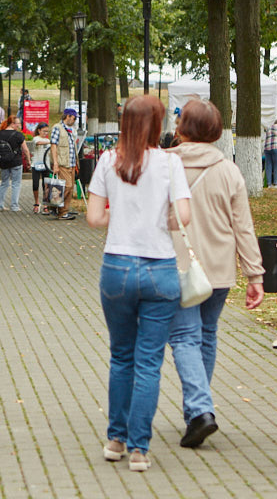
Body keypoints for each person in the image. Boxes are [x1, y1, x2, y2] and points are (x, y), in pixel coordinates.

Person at [86, 94, 190, 473]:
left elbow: (95, 218)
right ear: (158, 124)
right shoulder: (169, 163)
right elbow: (184, 216)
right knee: (149, 362)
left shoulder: (108, 161)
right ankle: (139, 449)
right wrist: (158, 214)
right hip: (160, 269)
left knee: (121, 356)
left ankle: (115, 438)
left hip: (117, 266)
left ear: (125, 122)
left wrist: (122, 208)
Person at [165, 100, 265, 448]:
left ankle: (200, 410)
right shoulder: (229, 170)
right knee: (205, 335)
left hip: (177, 266)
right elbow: (244, 228)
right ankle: (196, 410)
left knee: (183, 339)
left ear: (182, 127)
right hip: (219, 271)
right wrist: (255, 275)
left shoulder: (166, 166)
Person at [48, 108, 80, 220]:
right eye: (74, 118)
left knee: (70, 188)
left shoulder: (69, 130)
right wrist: (55, 163)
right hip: (62, 163)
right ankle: (55, 207)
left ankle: (63, 211)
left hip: (70, 163)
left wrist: (76, 163)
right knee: (67, 186)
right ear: (68, 116)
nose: (75, 120)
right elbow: (53, 146)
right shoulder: (58, 128)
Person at [0, 116, 29, 212]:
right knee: (16, 184)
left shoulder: (0, 134)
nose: (19, 126)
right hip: (16, 161)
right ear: (13, 123)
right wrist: (28, 161)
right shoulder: (18, 135)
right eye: (18, 123)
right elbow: (25, 149)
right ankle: (14, 206)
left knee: (4, 183)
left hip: (4, 162)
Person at [29, 123, 51, 214]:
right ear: (39, 130)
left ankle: (45, 204)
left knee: (45, 185)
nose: (45, 133)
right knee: (35, 184)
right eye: (44, 131)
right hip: (36, 164)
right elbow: (38, 143)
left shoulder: (48, 140)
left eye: (47, 131)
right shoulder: (36, 138)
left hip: (46, 165)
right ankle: (36, 202)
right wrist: (51, 142)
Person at [263, 118, 277, 188]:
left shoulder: (269, 127)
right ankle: (276, 183)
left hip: (267, 148)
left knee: (268, 165)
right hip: (276, 147)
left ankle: (269, 184)